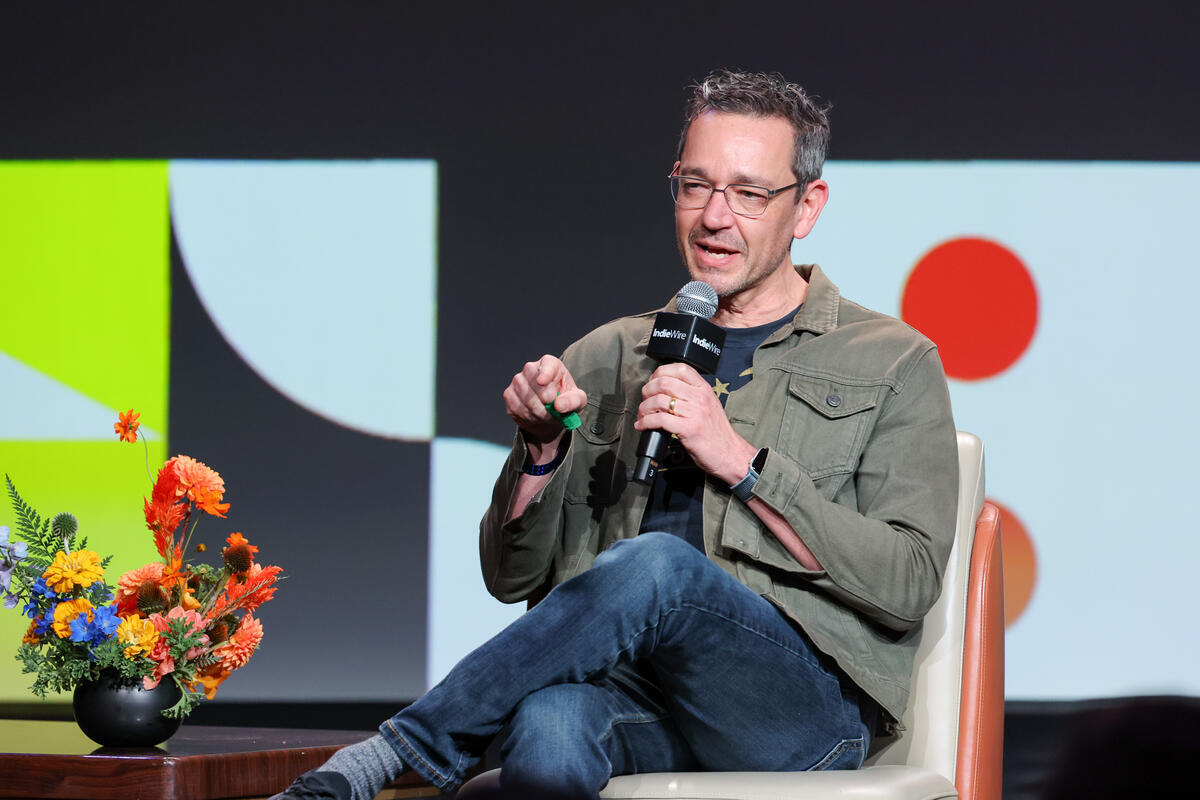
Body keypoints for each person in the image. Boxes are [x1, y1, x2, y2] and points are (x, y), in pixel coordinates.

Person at [272, 68, 958, 800]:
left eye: (749, 194)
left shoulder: (891, 360)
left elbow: (908, 581)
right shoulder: (609, 356)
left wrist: (741, 463)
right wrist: (540, 454)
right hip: (641, 699)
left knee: (658, 566)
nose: (714, 217)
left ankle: (382, 761)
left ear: (806, 206)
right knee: (550, 722)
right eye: (695, 186)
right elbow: (510, 579)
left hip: (794, 715)